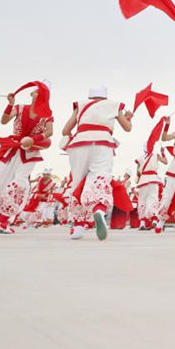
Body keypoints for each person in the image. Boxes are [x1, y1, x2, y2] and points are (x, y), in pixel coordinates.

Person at [61, 85, 133, 241]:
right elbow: (127, 128)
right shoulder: (114, 105)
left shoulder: (80, 104)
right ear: (105, 97)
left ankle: (78, 227)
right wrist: (128, 117)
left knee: (77, 183)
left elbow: (65, 130)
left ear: (89, 97)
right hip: (103, 143)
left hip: (80, 143)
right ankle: (99, 209)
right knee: (100, 178)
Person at [0, 81, 54, 234]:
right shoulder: (19, 108)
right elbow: (4, 121)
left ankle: (2, 221)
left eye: (43, 93)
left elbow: (49, 132)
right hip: (12, 148)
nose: (39, 94)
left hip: (30, 152)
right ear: (32, 93)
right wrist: (10, 104)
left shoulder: (47, 115)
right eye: (37, 91)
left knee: (19, 182)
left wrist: (34, 140)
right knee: (0, 179)